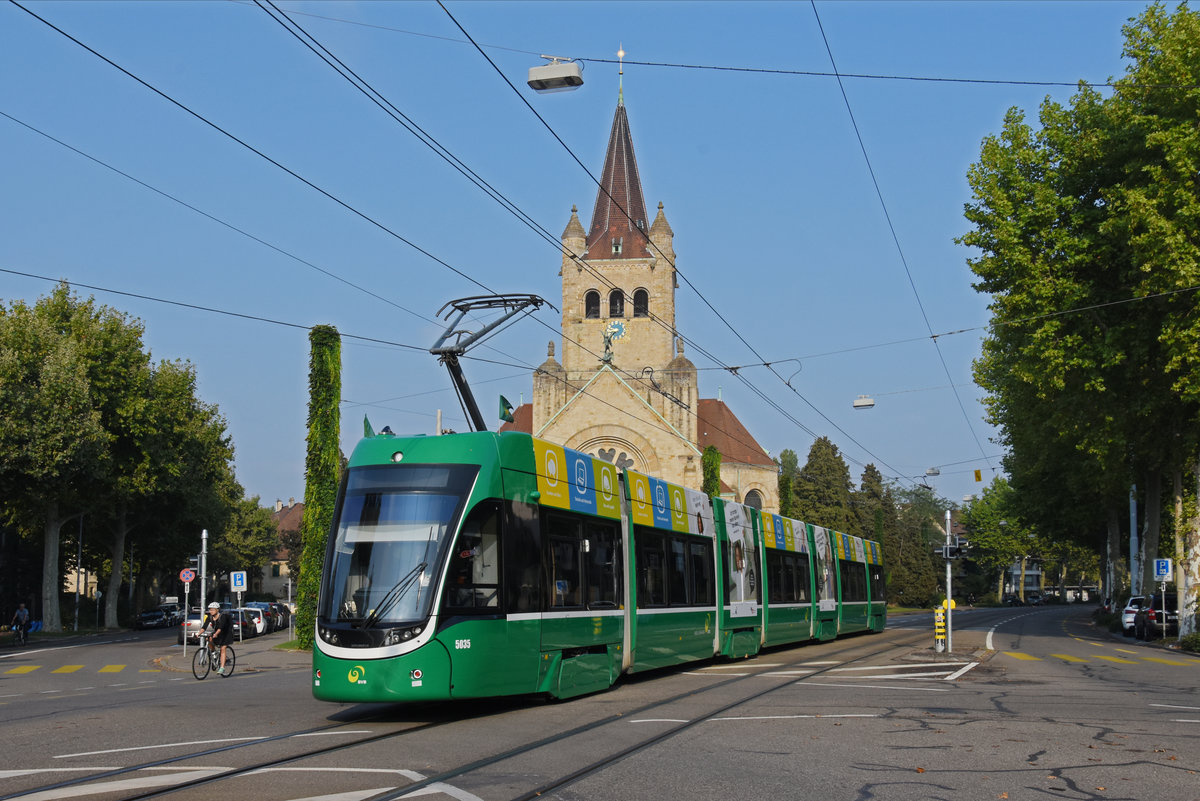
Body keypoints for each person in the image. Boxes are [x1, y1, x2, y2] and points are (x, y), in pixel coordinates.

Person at [202, 602, 233, 674]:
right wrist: (198, 634)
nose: (211, 611)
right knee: (209, 639)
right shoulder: (210, 617)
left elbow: (220, 628)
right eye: (210, 610)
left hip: (226, 633)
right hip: (217, 632)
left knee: (223, 648)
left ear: (217, 610)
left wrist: (215, 634)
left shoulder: (222, 616)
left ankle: (222, 668)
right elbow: (204, 627)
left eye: (212, 610)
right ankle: (214, 654)